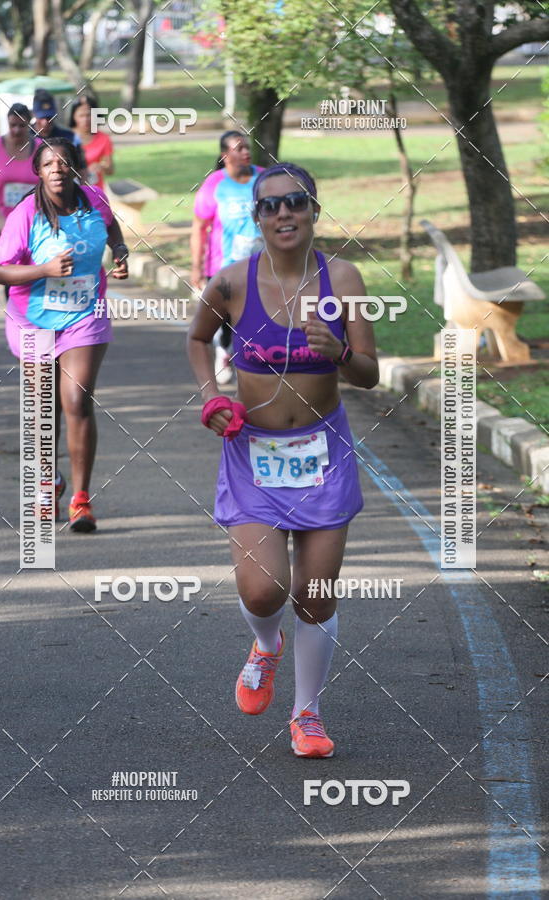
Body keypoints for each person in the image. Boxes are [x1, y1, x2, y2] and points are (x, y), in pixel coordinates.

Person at [187, 163, 379, 758]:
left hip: (324, 455)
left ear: (314, 210)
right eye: (270, 206)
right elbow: (198, 339)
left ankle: (307, 715)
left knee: (315, 593)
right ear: (257, 218)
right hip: (254, 459)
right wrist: (212, 397)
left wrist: (341, 351)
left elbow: (370, 376)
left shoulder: (343, 278)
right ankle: (265, 645)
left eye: (295, 202)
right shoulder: (232, 283)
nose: (284, 214)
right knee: (265, 591)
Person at [0, 138, 129, 532]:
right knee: (42, 408)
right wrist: (44, 270)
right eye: (48, 164)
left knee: (76, 399)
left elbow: (111, 226)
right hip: (32, 319)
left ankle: (80, 500)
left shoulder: (94, 199)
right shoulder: (26, 213)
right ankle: (49, 483)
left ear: (75, 168)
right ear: (38, 171)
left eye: (63, 163)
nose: (56, 169)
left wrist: (120, 253)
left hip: (84, 315)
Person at [191, 131, 263, 385]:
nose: (246, 152)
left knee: (256, 313)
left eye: (247, 147)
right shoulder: (214, 184)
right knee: (224, 317)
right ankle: (223, 349)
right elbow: (199, 227)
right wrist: (196, 269)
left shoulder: (263, 178)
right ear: (225, 155)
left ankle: (253, 361)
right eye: (239, 148)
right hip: (223, 264)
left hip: (261, 263)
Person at [0, 103, 41, 300]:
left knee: (30, 272)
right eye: (12, 125)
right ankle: (15, 317)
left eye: (21, 126)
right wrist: (0, 221)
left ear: (29, 124)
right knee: (9, 272)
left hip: (32, 223)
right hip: (0, 223)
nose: (16, 130)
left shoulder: (40, 148)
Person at [31, 89, 87, 178]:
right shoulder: (25, 138)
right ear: (34, 114)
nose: (45, 122)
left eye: (49, 117)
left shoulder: (69, 137)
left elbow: (82, 169)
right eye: (41, 117)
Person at [70, 97, 113, 190]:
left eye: (89, 115)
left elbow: (110, 169)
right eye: (81, 115)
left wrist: (101, 166)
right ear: (74, 116)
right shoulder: (66, 137)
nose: (86, 119)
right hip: (72, 191)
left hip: (95, 191)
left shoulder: (103, 138)